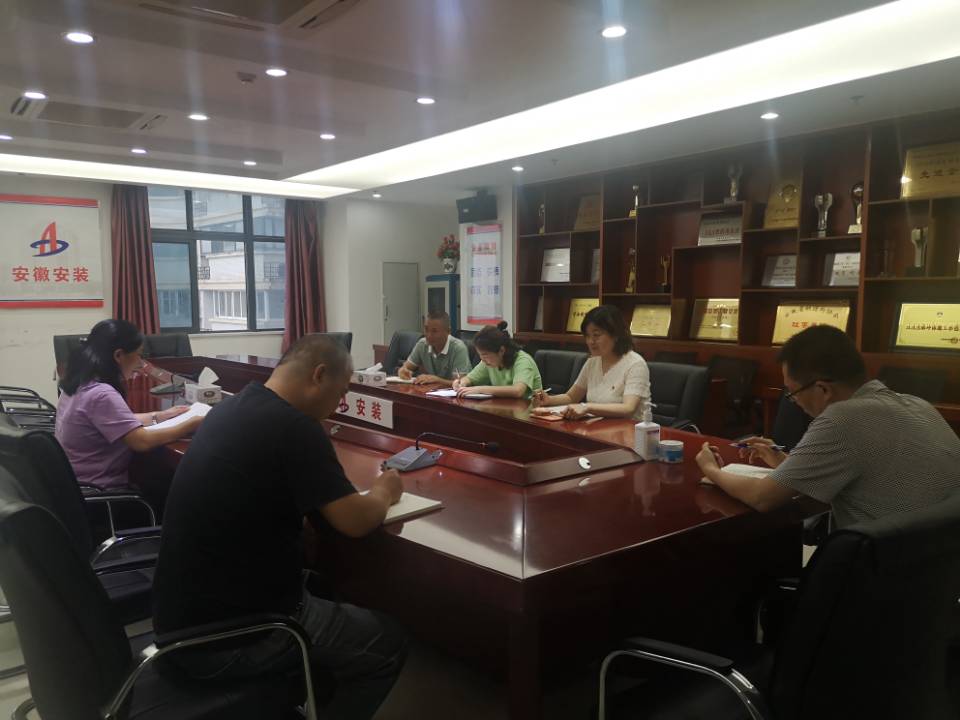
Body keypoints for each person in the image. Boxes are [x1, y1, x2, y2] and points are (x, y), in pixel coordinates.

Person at [152, 334, 406, 720]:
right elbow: (354, 521)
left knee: (322, 584)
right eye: (341, 392)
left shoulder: (231, 407)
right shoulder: (295, 427)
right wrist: (386, 489)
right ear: (319, 375)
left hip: (179, 624)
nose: (339, 404)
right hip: (233, 637)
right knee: (388, 643)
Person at [695, 325, 960, 528]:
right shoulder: (918, 405)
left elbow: (762, 498)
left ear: (823, 389)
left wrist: (710, 469)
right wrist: (784, 462)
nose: (795, 402)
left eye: (792, 393)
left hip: (879, 571)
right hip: (938, 570)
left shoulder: (842, 418)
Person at [55, 319, 202, 494]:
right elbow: (142, 442)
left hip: (75, 486)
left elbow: (112, 420)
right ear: (118, 355)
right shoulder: (101, 394)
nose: (141, 363)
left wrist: (158, 416)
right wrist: (193, 423)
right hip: (101, 493)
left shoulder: (80, 381)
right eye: (139, 355)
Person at [530, 304, 650, 420]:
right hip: (597, 427)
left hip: (629, 430)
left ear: (616, 335)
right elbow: (571, 397)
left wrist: (586, 407)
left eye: (596, 335)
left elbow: (628, 408)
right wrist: (549, 400)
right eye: (587, 336)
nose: (591, 341)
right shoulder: (592, 362)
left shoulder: (635, 364)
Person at [452, 321, 542, 399]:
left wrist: (480, 389)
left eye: (485, 355)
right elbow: (470, 378)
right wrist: (461, 383)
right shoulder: (488, 362)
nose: (482, 359)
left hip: (529, 409)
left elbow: (518, 391)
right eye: (480, 355)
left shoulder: (523, 361)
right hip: (504, 407)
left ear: (501, 350)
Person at [397, 311, 472, 386]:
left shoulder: (458, 348)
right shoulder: (422, 344)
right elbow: (406, 367)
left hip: (453, 393)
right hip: (429, 391)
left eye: (434, 331)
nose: (429, 335)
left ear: (448, 331)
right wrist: (403, 371)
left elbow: (460, 383)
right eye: (426, 329)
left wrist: (437, 380)